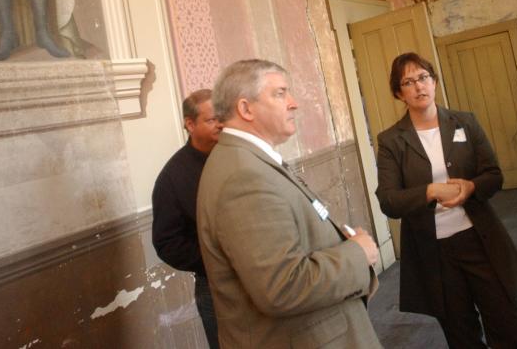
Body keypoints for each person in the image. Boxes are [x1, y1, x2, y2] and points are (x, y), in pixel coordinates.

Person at [197, 59, 381, 348]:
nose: (294, 103)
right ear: (246, 109)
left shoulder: (248, 160)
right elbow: (282, 286)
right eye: (280, 93)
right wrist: (358, 253)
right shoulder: (243, 176)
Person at [375, 52, 517, 349]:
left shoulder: (464, 122)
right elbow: (389, 200)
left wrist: (471, 187)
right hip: (434, 252)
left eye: (423, 78)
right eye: (408, 82)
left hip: (479, 239)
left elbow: (494, 175)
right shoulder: (391, 141)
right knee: (461, 334)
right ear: (399, 93)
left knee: (508, 323)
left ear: (434, 81)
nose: (419, 87)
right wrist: (430, 191)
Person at [151, 89, 223, 348]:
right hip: (215, 288)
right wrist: (216, 259)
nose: (221, 124)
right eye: (212, 119)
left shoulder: (235, 155)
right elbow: (167, 243)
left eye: (223, 116)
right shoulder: (172, 177)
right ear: (190, 124)